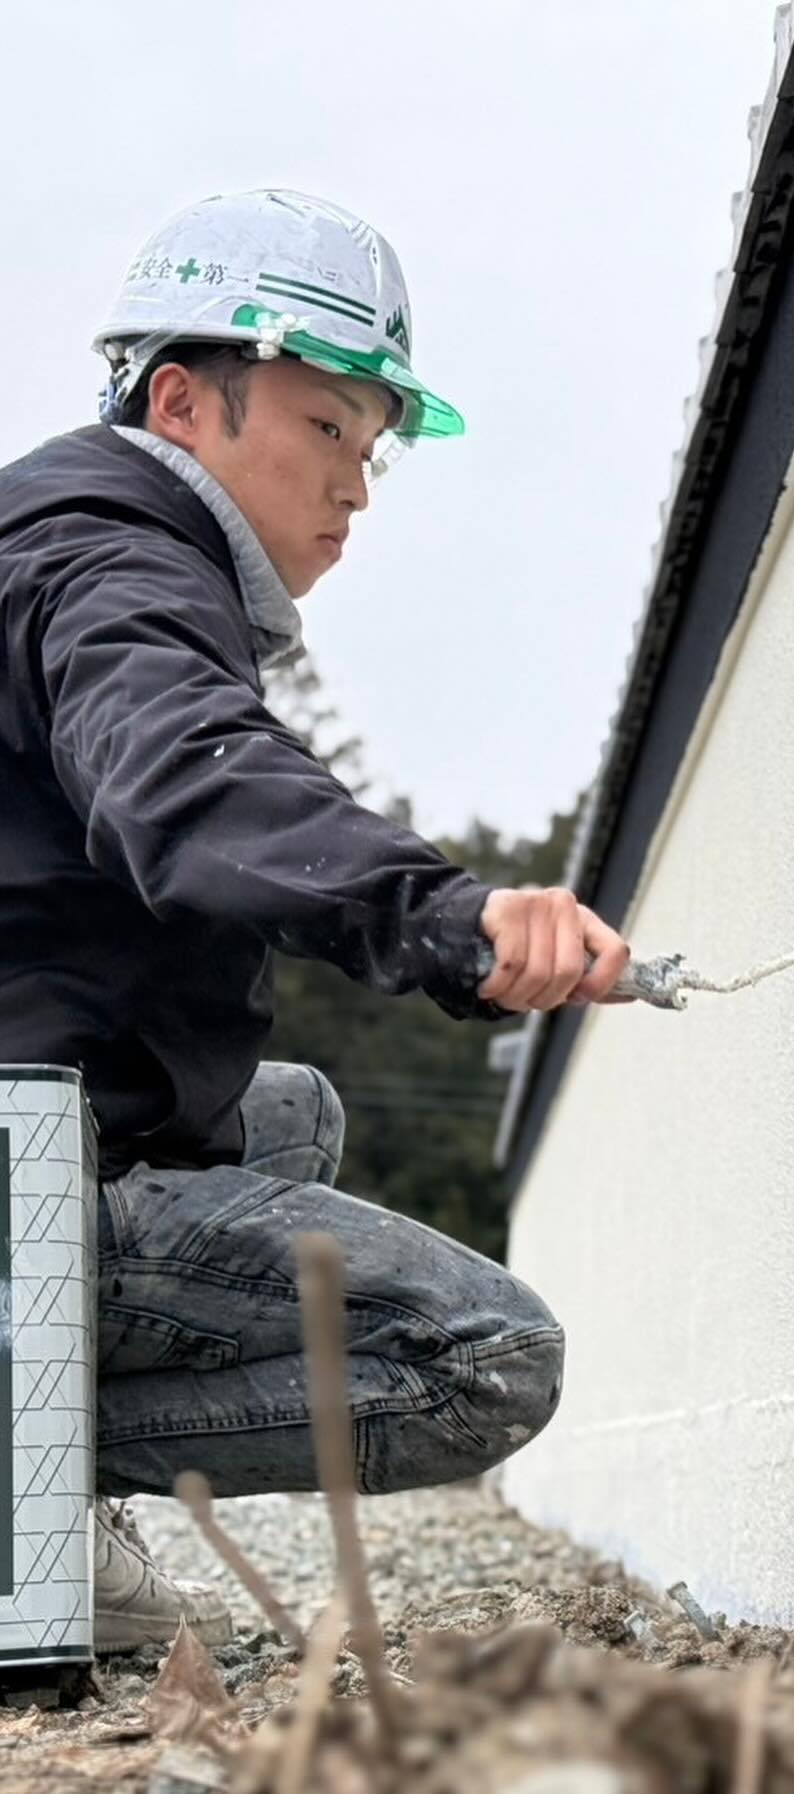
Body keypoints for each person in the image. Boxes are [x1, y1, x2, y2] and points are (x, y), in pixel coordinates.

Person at [0, 190, 631, 1652]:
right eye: (329, 426)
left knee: (287, 1118)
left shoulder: (76, 541)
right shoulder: (109, 563)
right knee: (488, 1356)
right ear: (183, 401)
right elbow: (192, 787)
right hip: (13, 1155)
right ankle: (17, 1491)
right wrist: (447, 914)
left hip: (39, 1102)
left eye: (376, 446)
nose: (360, 484)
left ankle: (33, 1487)